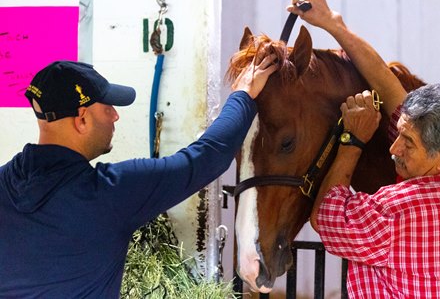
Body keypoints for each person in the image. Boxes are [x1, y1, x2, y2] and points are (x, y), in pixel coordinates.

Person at [0, 57, 277, 298]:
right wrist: (243, 94)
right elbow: (205, 159)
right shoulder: (109, 194)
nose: (116, 116)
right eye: (107, 106)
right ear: (82, 119)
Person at [288, 0, 440, 298]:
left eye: (408, 142)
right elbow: (389, 88)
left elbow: (326, 217)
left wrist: (353, 141)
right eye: (399, 134)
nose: (394, 148)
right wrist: (332, 23)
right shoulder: (438, 147)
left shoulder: (394, 213)